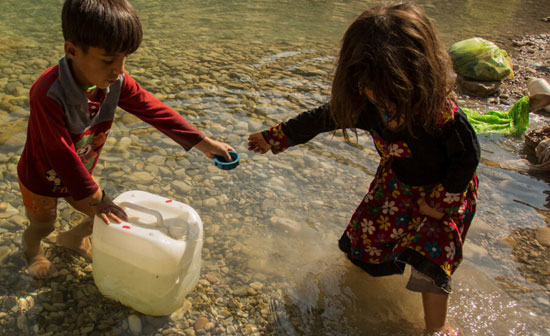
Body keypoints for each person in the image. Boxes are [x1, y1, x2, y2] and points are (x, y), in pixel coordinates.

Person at [248, 3, 480, 335]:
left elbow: (467, 158)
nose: (376, 98)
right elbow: (322, 118)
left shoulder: (442, 116)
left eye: (390, 91)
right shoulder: (366, 102)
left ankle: (437, 328)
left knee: (431, 259)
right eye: (368, 86)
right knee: (366, 239)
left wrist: (442, 203)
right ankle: (357, 285)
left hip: (445, 191)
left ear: (420, 74)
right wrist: (276, 136)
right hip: (396, 183)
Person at [18, 0, 234, 279]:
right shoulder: (47, 94)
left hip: (79, 174)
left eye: (124, 58)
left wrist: (203, 142)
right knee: (43, 225)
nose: (118, 69)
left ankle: (72, 238)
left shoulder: (114, 81)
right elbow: (59, 153)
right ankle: (32, 249)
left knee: (107, 216)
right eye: (108, 60)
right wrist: (97, 197)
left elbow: (153, 109)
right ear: (72, 50)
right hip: (41, 178)